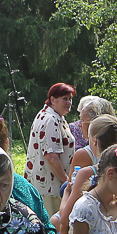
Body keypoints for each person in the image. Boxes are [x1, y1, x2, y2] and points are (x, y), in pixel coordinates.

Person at [24, 82, 75, 216]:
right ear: (53, 100)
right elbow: (51, 156)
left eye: (70, 99)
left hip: (48, 185)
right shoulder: (50, 120)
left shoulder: (54, 116)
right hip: (50, 187)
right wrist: (66, 181)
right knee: (52, 223)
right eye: (64, 99)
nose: (69, 102)